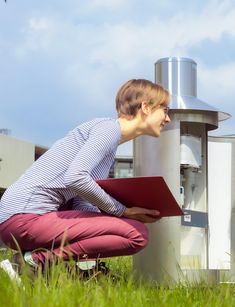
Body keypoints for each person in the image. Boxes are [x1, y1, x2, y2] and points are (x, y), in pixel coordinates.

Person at [0, 79, 171, 276]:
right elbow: (76, 177)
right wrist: (123, 211)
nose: (167, 119)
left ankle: (69, 269)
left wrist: (112, 220)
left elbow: (82, 202)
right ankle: (32, 263)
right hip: (24, 218)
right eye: (165, 110)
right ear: (146, 108)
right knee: (136, 234)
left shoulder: (110, 142)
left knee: (134, 230)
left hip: (22, 220)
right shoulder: (108, 130)